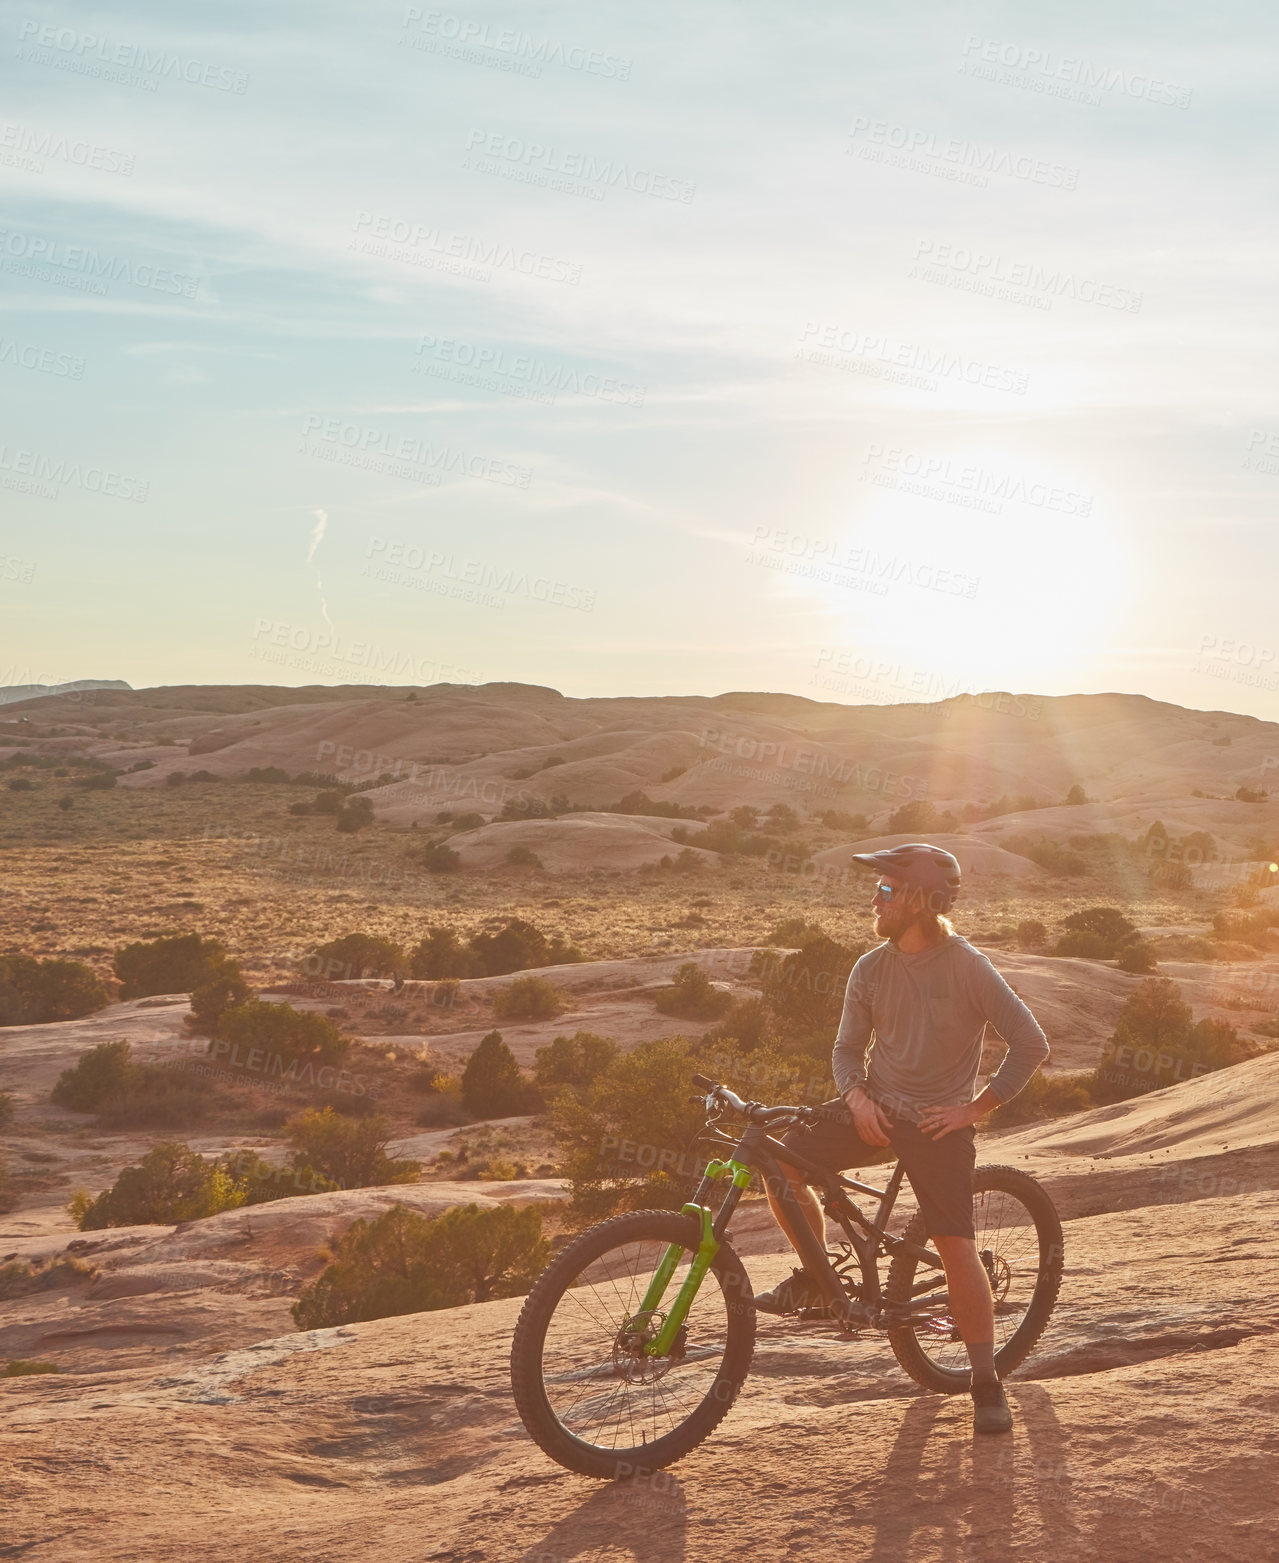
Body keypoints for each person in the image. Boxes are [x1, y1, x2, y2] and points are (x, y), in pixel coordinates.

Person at [752, 842, 1050, 1435]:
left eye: (885, 890)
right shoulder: (871, 968)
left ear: (917, 900)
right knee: (777, 1160)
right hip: (873, 1112)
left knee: (954, 1246)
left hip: (936, 1125)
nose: (874, 899)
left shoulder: (966, 965)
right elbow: (844, 1051)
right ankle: (817, 1276)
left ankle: (986, 1382)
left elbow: (1031, 1042)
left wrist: (973, 1109)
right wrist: (857, 1097)